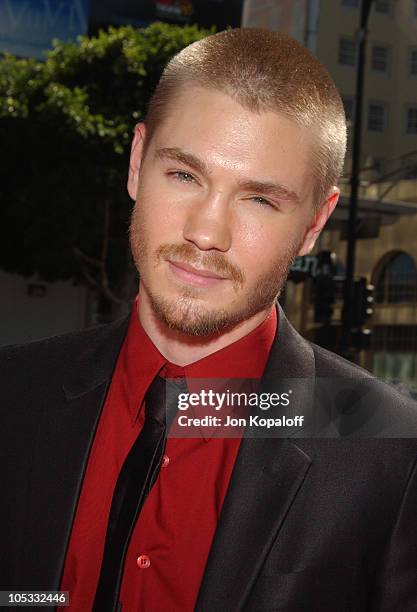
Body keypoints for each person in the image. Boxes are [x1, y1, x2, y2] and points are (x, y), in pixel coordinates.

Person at [1, 28, 417, 612]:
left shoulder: (390, 450)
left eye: (259, 199)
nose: (206, 233)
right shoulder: (14, 395)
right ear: (137, 161)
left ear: (314, 224)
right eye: (184, 175)